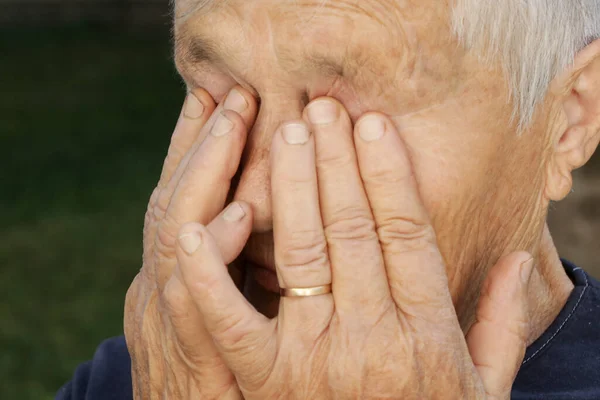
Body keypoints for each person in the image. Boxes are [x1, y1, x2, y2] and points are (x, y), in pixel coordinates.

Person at [56, 1, 600, 399]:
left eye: (340, 116)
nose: (257, 199)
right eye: (222, 96)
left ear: (570, 118)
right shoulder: (141, 375)